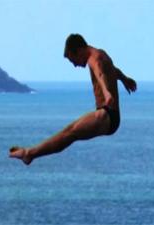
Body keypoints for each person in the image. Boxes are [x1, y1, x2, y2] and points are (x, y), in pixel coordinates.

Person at [9, 34, 137, 165]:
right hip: (112, 117)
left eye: (73, 60)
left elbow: (100, 73)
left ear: (80, 50)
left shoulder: (94, 59)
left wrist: (107, 93)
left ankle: (29, 154)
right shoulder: (101, 54)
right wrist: (124, 79)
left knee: (70, 132)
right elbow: (112, 70)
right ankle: (29, 153)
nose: (75, 65)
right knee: (71, 133)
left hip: (106, 114)